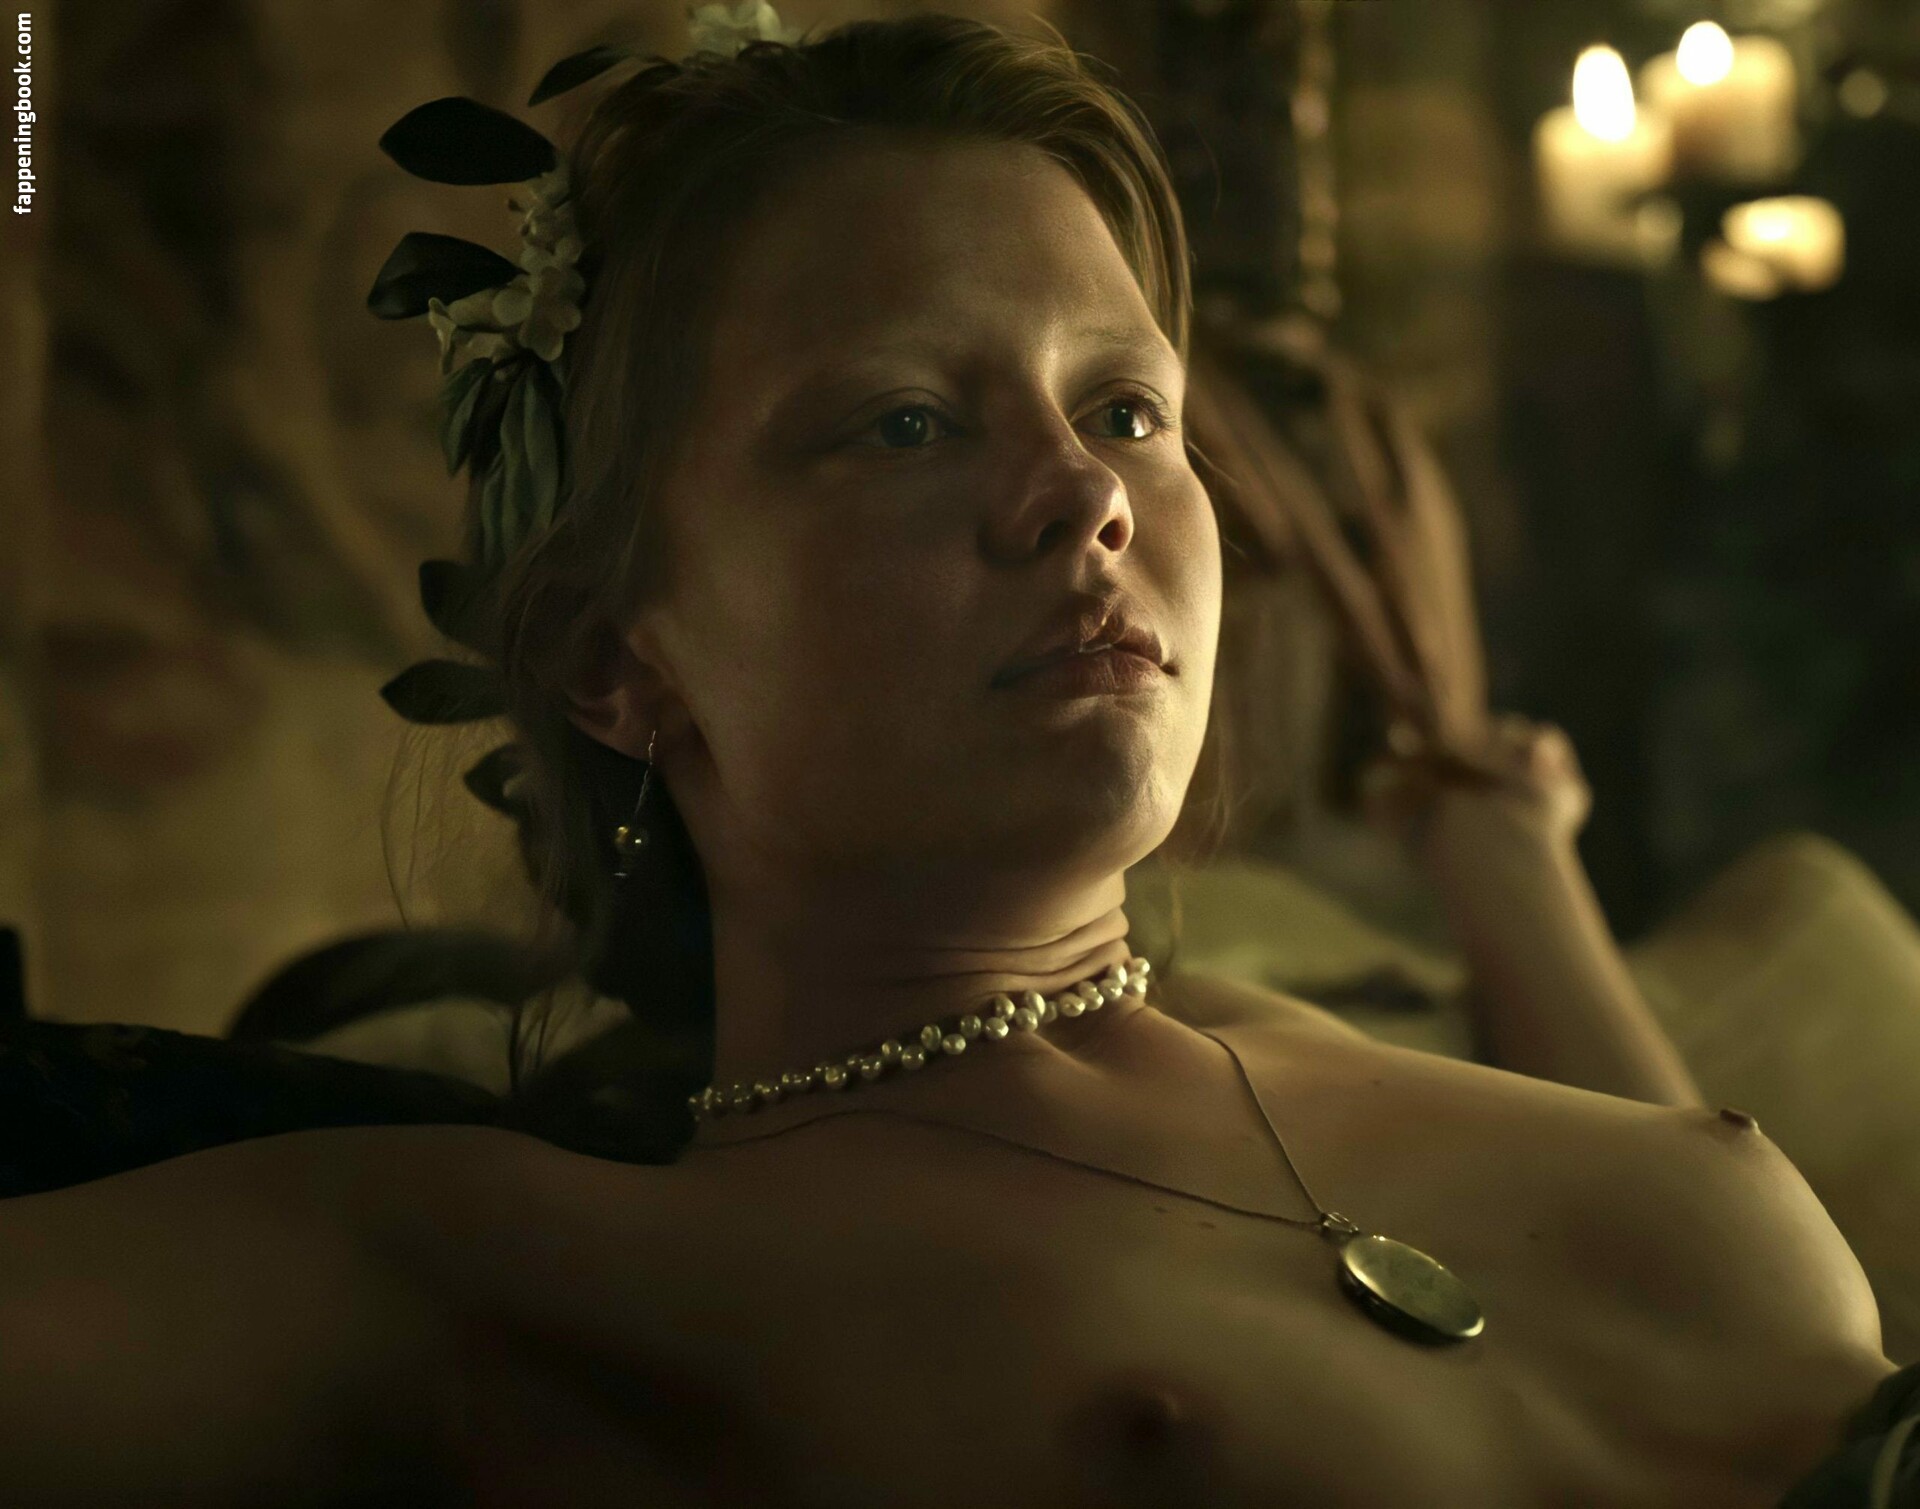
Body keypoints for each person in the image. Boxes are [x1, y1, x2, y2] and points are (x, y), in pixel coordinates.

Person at [0, 11, 1903, 1506]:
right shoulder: (537, 1263)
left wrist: (1507, 854)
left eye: (1126, 407)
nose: (1085, 493)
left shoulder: (1351, 1007)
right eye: (905, 421)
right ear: (614, 656)